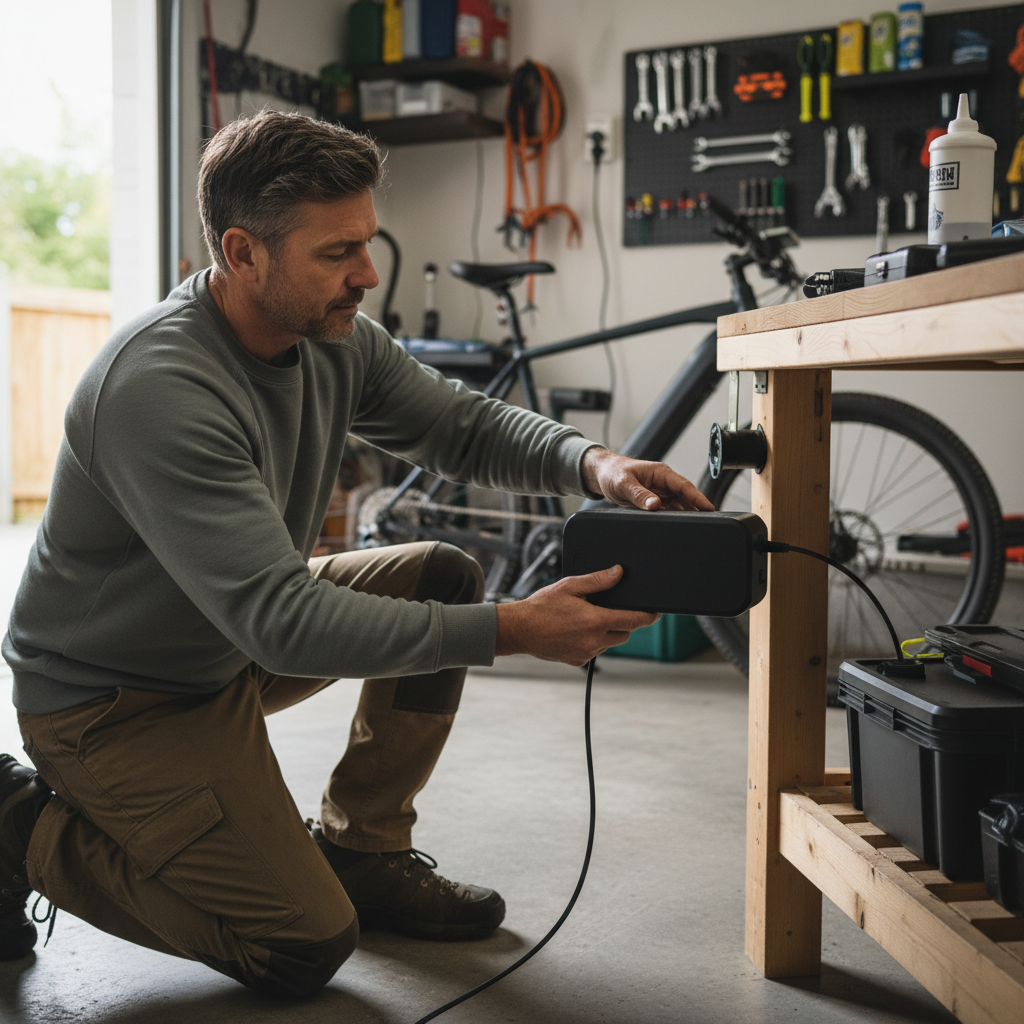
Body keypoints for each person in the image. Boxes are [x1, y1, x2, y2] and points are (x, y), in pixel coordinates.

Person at [0, 111, 712, 995]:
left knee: (442, 576)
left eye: (368, 244)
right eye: (337, 252)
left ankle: (363, 849)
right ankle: (17, 825)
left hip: (224, 648)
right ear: (243, 252)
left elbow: (461, 423)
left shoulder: (329, 340)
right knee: (296, 945)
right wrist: (516, 630)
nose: (366, 275)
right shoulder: (158, 387)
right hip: (113, 699)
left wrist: (593, 463)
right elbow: (283, 624)